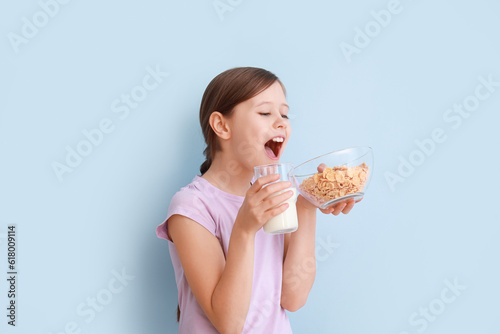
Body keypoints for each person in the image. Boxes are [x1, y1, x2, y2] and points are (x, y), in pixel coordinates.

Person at [156, 67, 360, 333]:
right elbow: (228, 323)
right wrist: (244, 228)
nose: (281, 123)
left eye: (284, 114)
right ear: (221, 125)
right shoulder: (191, 208)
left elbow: (293, 298)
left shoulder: (278, 196)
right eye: (265, 113)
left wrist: (308, 205)